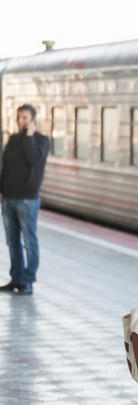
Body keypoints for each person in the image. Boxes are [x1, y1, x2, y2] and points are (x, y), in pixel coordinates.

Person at [0, 104, 50, 295]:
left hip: (28, 200)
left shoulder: (41, 141)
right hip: (9, 199)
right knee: (12, 242)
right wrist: (2, 189)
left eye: (25, 118)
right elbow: (5, 166)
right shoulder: (12, 140)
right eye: (19, 117)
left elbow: (35, 161)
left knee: (29, 241)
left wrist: (29, 136)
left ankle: (28, 281)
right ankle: (16, 279)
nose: (21, 121)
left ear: (33, 120)